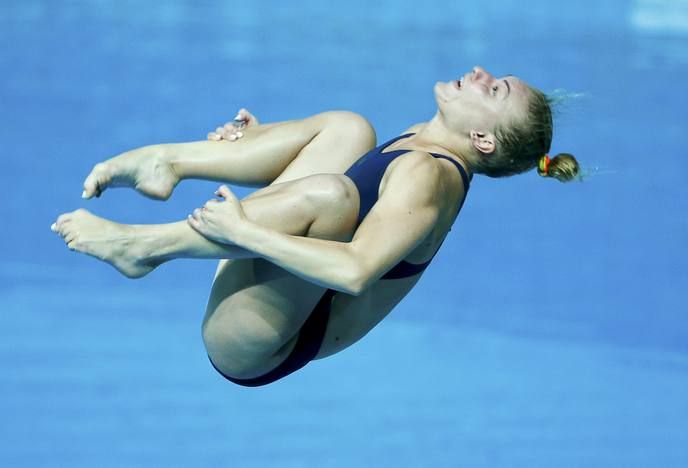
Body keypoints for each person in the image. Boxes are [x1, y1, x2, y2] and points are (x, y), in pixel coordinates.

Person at [51, 66, 580, 387]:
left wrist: (244, 232)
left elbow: (353, 272)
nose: (483, 74)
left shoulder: (431, 177)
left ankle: (143, 248)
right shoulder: (423, 138)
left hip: (264, 340)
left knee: (333, 198)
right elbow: (331, 170)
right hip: (271, 280)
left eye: (495, 92)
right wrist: (265, 142)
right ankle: (166, 163)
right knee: (349, 128)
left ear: (483, 140)